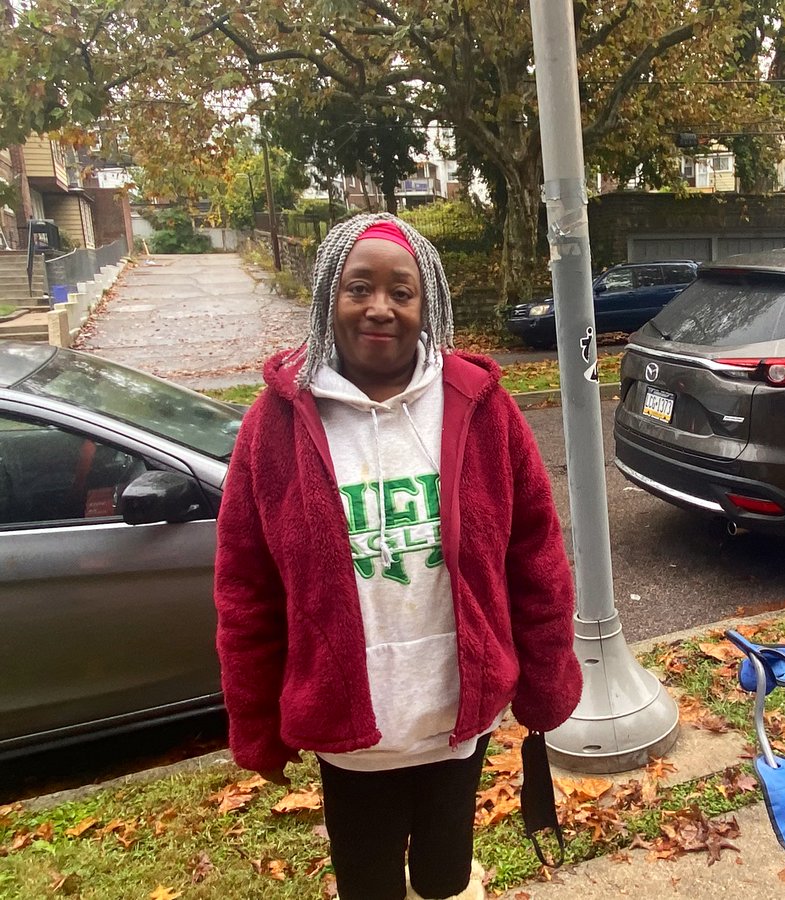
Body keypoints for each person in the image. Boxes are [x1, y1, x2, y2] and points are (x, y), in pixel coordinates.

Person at [214, 212, 582, 900]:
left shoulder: (480, 408)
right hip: (352, 737)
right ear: (330, 296)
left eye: (401, 291)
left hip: (454, 723)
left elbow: (536, 558)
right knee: (369, 885)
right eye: (359, 288)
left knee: (445, 877)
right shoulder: (277, 424)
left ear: (428, 302)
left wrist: (546, 678)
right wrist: (256, 722)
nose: (379, 307)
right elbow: (246, 586)